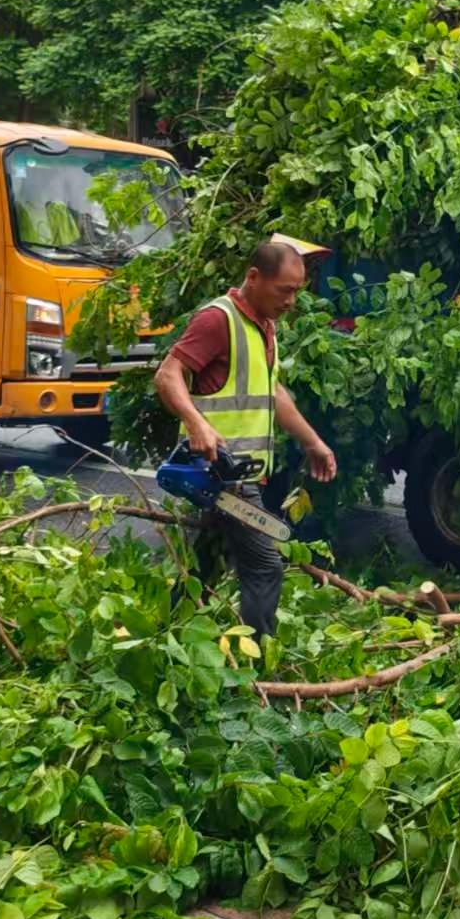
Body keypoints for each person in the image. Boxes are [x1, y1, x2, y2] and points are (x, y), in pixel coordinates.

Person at [153, 237, 339, 638]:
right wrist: (197, 423)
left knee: (202, 567)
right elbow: (168, 375)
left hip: (240, 473)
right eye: (285, 290)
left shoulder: (265, 325)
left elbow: (272, 392)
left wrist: (312, 441)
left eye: (297, 292)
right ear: (254, 278)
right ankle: (256, 666)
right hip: (219, 474)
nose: (291, 300)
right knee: (264, 567)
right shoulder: (217, 320)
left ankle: (167, 643)